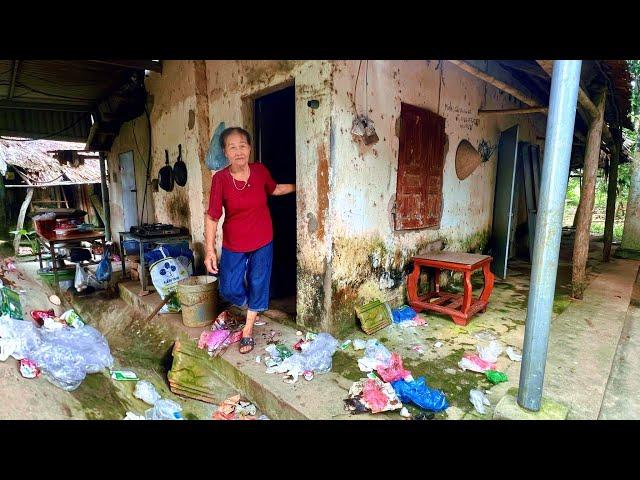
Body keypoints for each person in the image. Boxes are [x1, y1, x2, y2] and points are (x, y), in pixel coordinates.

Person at [204, 127, 296, 353]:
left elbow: (273, 189)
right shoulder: (221, 179)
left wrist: (299, 187)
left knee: (258, 282)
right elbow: (212, 216)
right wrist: (209, 250)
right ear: (225, 152)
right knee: (228, 288)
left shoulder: (260, 171)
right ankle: (253, 306)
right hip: (234, 243)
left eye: (242, 146)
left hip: (263, 239)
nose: (238, 151)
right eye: (232, 147)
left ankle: (248, 328)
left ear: (250, 148)